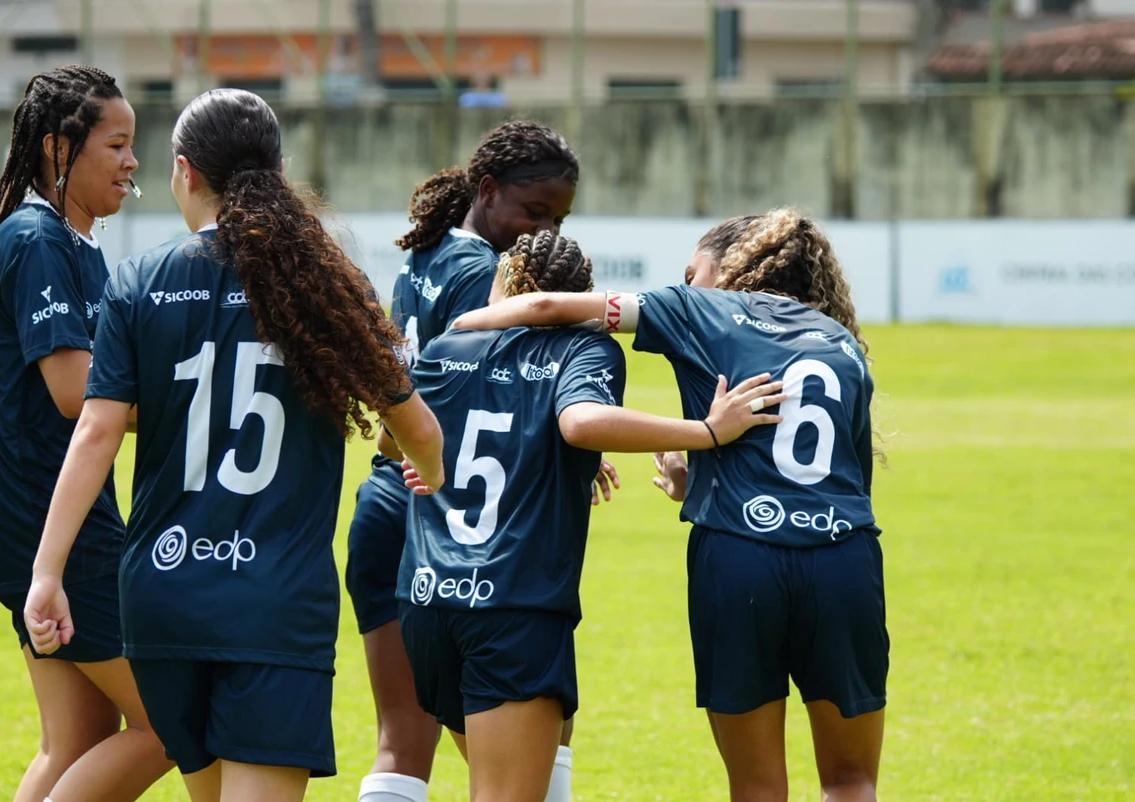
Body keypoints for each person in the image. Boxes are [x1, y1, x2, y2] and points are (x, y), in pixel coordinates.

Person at [22, 88, 444, 802]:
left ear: (185, 171)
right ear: (276, 171)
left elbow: (95, 433)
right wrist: (426, 470)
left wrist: (47, 572)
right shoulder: (329, 284)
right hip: (273, 604)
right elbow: (419, 429)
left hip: (164, 594)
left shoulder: (140, 280)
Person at [452, 209, 888, 802]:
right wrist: (703, 479)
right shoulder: (841, 338)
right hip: (845, 561)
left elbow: (547, 308)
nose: (687, 283)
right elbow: (833, 475)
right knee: (852, 780)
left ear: (730, 268)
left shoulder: (695, 309)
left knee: (757, 786)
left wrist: (462, 329)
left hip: (739, 558)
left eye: (693, 271)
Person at [394, 230, 786, 802]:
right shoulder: (585, 349)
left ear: (503, 283)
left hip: (426, 601)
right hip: (513, 603)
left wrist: (431, 462)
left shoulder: (447, 347)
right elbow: (578, 422)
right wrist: (707, 432)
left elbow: (396, 437)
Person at [348, 120, 617, 802]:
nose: (539, 235)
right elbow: (495, 396)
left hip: (388, 503)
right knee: (538, 734)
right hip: (445, 520)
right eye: (534, 213)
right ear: (488, 190)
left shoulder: (429, 252)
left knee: (403, 741)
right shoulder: (484, 274)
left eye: (556, 219)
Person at [0, 64, 172, 802]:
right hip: (41, 516)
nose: (132, 161)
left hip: (43, 513)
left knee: (76, 742)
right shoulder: (38, 238)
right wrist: (187, 401)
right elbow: (74, 392)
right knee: (172, 719)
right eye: (115, 144)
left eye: (133, 145)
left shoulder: (76, 245)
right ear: (58, 150)